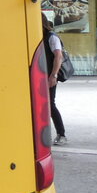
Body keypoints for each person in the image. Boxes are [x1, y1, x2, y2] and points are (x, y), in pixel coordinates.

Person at [42, 17, 67, 145]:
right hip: (42, 75)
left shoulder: (52, 37)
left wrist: (54, 75)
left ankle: (61, 134)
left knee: (50, 104)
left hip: (50, 76)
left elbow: (58, 56)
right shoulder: (40, 37)